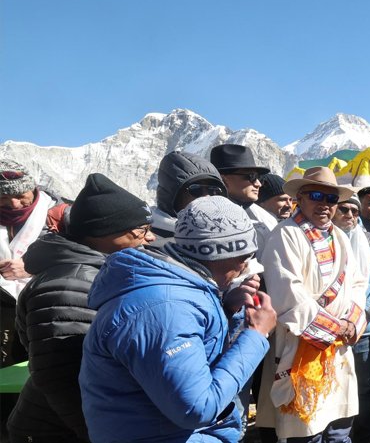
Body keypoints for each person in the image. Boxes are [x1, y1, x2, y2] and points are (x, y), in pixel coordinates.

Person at [79, 196, 277, 442]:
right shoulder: (166, 309)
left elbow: (193, 354)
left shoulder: (180, 286)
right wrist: (256, 336)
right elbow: (196, 408)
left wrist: (227, 309)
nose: (247, 266)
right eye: (245, 257)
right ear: (220, 253)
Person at [8, 173, 154, 442]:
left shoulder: (96, 272)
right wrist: (100, 435)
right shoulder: (67, 287)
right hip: (59, 429)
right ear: (103, 233)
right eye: (140, 230)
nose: (150, 238)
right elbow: (62, 379)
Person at [256, 167, 368, 442]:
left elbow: (357, 284)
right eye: (316, 195)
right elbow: (287, 294)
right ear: (300, 199)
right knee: (306, 428)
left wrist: (352, 323)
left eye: (331, 199)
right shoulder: (285, 235)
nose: (324, 204)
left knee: (339, 425)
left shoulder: (339, 237)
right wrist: (334, 328)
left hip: (338, 348)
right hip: (300, 346)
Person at [332, 195, 370, 443]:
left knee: (363, 389)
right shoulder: (320, 239)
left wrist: (364, 314)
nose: (349, 215)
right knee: (332, 389)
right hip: (327, 330)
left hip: (361, 330)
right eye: (344, 209)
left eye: (354, 211)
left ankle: (367, 436)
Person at [0, 160, 68, 369]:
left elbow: (83, 258)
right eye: (4, 198)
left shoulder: (60, 215)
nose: (14, 205)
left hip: (44, 308)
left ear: (34, 189)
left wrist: (32, 267)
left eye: (21, 196)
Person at [150, 150, 228, 242]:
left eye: (214, 191)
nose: (207, 197)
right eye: (196, 190)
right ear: (172, 196)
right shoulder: (147, 239)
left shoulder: (227, 233)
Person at [210, 144, 274, 246]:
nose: (258, 184)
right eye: (251, 177)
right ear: (223, 180)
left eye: (259, 177)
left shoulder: (262, 216)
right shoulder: (205, 220)